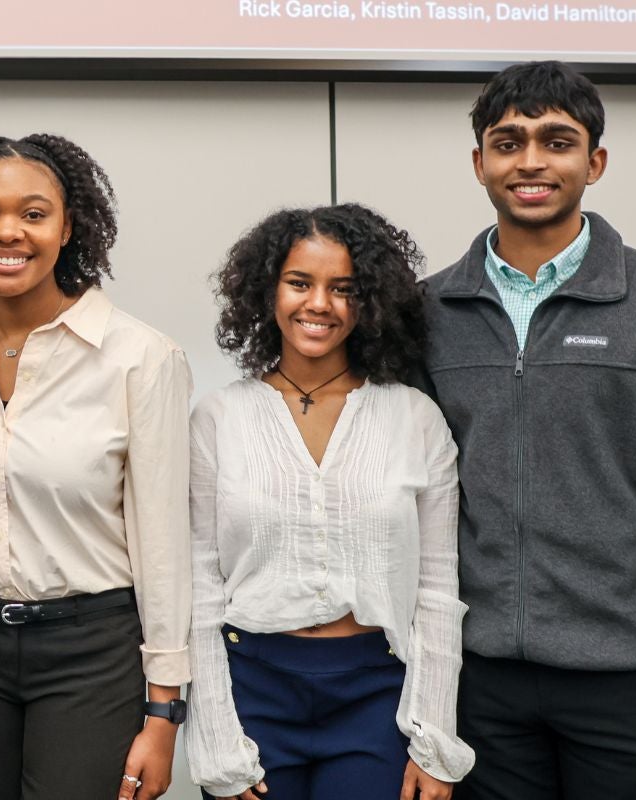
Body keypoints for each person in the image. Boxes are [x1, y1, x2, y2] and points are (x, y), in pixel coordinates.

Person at [420, 61, 636, 799]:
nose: (532, 161)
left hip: (627, 682)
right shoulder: (429, 312)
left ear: (594, 162)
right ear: (479, 163)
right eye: (508, 142)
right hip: (479, 688)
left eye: (557, 140)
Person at [0, 133, 189, 800]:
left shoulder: (139, 357)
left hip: (90, 652)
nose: (6, 232)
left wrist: (164, 711)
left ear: (69, 227)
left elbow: (163, 547)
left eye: (33, 214)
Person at [184, 204, 473, 800]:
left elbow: (439, 590)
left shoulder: (414, 418)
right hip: (253, 689)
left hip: (375, 694)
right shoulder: (219, 417)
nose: (319, 304)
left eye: (343, 289)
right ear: (267, 292)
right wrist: (214, 737)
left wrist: (434, 736)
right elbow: (199, 585)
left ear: (368, 304)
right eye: (299, 283)